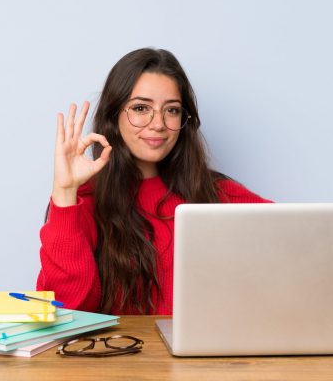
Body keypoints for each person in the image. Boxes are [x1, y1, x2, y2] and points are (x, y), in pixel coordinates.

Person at [36, 48, 271, 315]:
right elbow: (67, 310)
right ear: (114, 115)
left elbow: (293, 248)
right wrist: (65, 193)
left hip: (205, 356)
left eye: (171, 110)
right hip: (119, 354)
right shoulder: (85, 200)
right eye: (140, 108)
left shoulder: (217, 194)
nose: (158, 123)